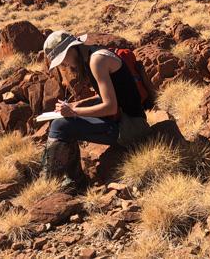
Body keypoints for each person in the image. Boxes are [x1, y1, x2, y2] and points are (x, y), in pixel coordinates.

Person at [40, 31, 150, 192]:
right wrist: (75, 106)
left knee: (61, 126)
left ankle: (51, 184)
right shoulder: (92, 54)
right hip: (123, 119)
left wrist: (74, 111)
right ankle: (72, 179)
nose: (64, 65)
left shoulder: (97, 61)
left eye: (62, 60)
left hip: (130, 128)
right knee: (62, 122)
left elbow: (110, 106)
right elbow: (111, 99)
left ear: (72, 49)